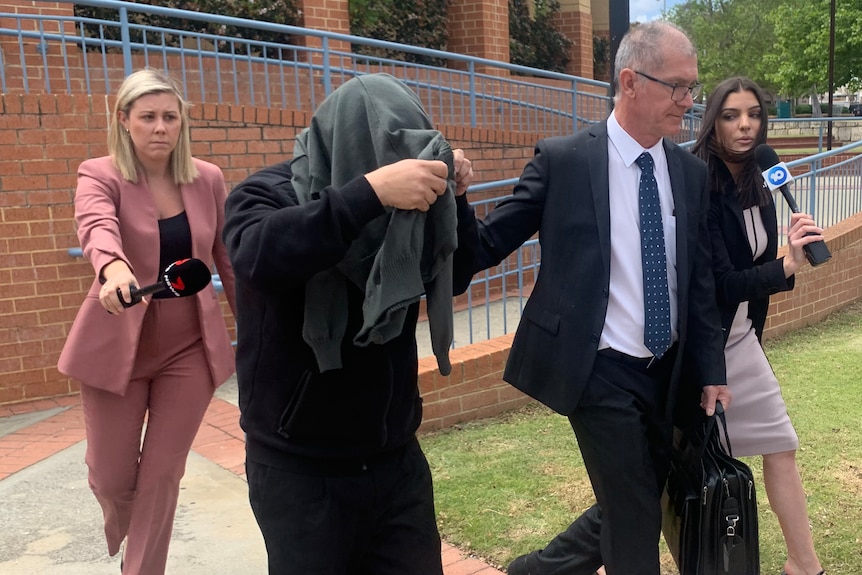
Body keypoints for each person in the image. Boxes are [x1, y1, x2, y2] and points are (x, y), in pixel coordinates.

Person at [466, 21, 731, 575]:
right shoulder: (564, 161)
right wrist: (450, 201)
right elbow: (490, 242)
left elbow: (699, 281)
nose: (689, 101)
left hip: (670, 370)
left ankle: (537, 571)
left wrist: (711, 368)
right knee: (635, 513)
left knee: (636, 495)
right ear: (630, 82)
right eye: (677, 87)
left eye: (692, 88)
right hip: (598, 369)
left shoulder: (688, 172)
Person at [221, 73, 477, 575]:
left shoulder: (406, 205)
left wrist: (458, 200)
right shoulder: (267, 193)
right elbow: (257, 258)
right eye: (377, 154)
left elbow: (459, 271)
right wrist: (368, 193)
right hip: (300, 466)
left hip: (393, 457)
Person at [57, 68, 237, 575]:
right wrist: (113, 269)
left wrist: (263, 328)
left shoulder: (207, 179)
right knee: (112, 478)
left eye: (169, 117)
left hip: (189, 348)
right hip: (118, 343)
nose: (160, 127)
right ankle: (123, 522)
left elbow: (228, 260)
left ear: (181, 123)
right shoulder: (100, 173)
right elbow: (97, 226)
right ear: (124, 120)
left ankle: (141, 568)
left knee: (161, 477)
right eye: (148, 117)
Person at [691, 76, 826, 575]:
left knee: (780, 443)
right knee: (669, 469)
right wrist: (786, 266)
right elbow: (720, 283)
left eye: (753, 114)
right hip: (707, 340)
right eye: (731, 115)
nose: (745, 125)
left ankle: (803, 563)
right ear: (713, 121)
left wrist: (787, 248)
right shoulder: (699, 182)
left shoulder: (761, 178)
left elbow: (752, 266)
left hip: (743, 333)